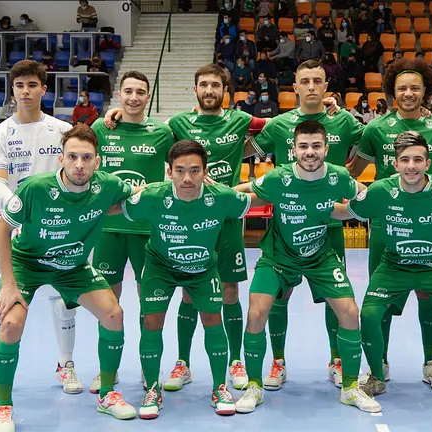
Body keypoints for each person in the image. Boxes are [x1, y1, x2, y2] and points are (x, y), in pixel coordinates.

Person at [102, 63, 286, 393]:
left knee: (228, 292)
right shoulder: (177, 124)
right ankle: (182, 363)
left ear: (225, 90)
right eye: (204, 85)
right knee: (189, 292)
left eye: (216, 85)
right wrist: (119, 112)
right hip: (187, 218)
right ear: (195, 89)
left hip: (225, 217)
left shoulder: (241, 120)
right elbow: (145, 129)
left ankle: (234, 362)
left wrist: (317, 108)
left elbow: (281, 125)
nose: (210, 90)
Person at [0, 124, 139, 432]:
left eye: (87, 158)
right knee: (11, 323)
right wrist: (8, 283)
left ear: (98, 161)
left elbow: (137, 194)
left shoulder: (108, 185)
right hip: (28, 263)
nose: (79, 164)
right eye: (72, 157)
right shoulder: (36, 188)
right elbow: (2, 230)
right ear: (61, 159)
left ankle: (108, 394)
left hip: (72, 266)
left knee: (114, 314)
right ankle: (2, 406)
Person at [233, 119, 381, 414]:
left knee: (350, 311)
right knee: (256, 311)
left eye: (316, 146)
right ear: (294, 149)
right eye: (303, 146)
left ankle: (351, 387)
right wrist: (207, 191)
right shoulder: (279, 178)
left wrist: (348, 210)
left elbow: (366, 197)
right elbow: (244, 190)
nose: (309, 152)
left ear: (326, 149)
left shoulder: (339, 177)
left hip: (320, 256)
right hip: (278, 256)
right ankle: (254, 385)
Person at [346, 59, 432, 389]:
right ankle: (380, 363)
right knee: (381, 295)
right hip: (387, 227)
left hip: (431, 224)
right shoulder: (375, 129)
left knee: (430, 294)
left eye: (415, 87)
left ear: (426, 91)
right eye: (402, 88)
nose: (408, 93)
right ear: (392, 92)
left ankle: (431, 363)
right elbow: (352, 173)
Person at [336, 131, 432, 409]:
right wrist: (310, 207)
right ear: (395, 163)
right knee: (368, 314)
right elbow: (346, 211)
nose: (411, 166)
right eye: (405, 160)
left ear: (429, 163)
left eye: (417, 159)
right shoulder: (380, 190)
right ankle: (377, 376)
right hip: (393, 266)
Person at [247, 60, 364, 390]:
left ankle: (337, 359)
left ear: (327, 87)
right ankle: (278, 362)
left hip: (330, 225)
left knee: (337, 299)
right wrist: (201, 165)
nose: (312, 87)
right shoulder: (281, 124)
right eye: (305, 81)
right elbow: (243, 149)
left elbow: (372, 141)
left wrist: (350, 176)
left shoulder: (342, 120)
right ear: (294, 87)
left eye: (318, 81)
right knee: (275, 299)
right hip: (286, 226)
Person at [126, 140, 264, 418]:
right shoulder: (153, 196)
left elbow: (258, 199)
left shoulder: (222, 196)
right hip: (159, 267)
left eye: (194, 170)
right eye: (179, 171)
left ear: (205, 171)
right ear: (169, 172)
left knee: (213, 320)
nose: (187, 178)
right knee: (152, 320)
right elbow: (115, 206)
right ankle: (153, 388)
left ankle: (219, 387)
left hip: (202, 268)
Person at [0, 60, 80, 401]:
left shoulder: (62, 131)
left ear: (43, 89)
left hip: (58, 229)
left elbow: (78, 175)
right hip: (14, 228)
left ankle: (65, 363)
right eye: (20, 85)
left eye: (32, 85)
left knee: (65, 301)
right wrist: (15, 208)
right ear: (13, 90)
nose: (26, 91)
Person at [89, 69, 176, 390]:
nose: (134, 97)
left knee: (148, 302)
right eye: (128, 91)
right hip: (108, 228)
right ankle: (106, 371)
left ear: (148, 95)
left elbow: (187, 158)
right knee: (107, 304)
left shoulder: (163, 131)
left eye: (140, 92)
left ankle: (147, 365)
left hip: (147, 230)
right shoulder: (101, 127)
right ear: (119, 95)